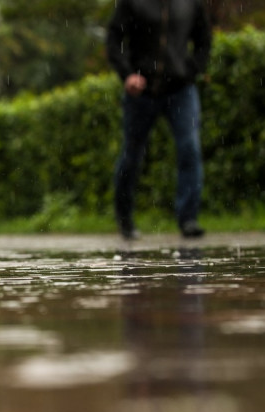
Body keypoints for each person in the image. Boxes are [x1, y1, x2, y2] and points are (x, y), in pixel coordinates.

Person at [106, 0, 212, 239]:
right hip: (140, 92)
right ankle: (125, 220)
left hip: (180, 90)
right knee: (132, 155)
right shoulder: (132, 3)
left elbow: (204, 40)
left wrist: (192, 70)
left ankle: (188, 218)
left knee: (190, 148)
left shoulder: (190, 4)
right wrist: (127, 73)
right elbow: (114, 40)